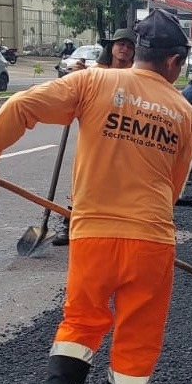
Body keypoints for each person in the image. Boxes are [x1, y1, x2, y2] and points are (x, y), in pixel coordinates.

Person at [0, 8, 192, 384]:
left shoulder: (94, 82)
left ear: (138, 52)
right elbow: (175, 187)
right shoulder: (184, 113)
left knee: (81, 322)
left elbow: (21, 105)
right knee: (136, 337)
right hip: (150, 238)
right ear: (173, 62)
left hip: (92, 235)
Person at [53, 28, 138, 246]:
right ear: (112, 47)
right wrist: (77, 76)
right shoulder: (96, 71)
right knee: (85, 178)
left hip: (123, 132)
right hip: (96, 131)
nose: (125, 49)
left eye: (129, 46)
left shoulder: (136, 75)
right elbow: (74, 86)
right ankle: (69, 221)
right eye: (121, 45)